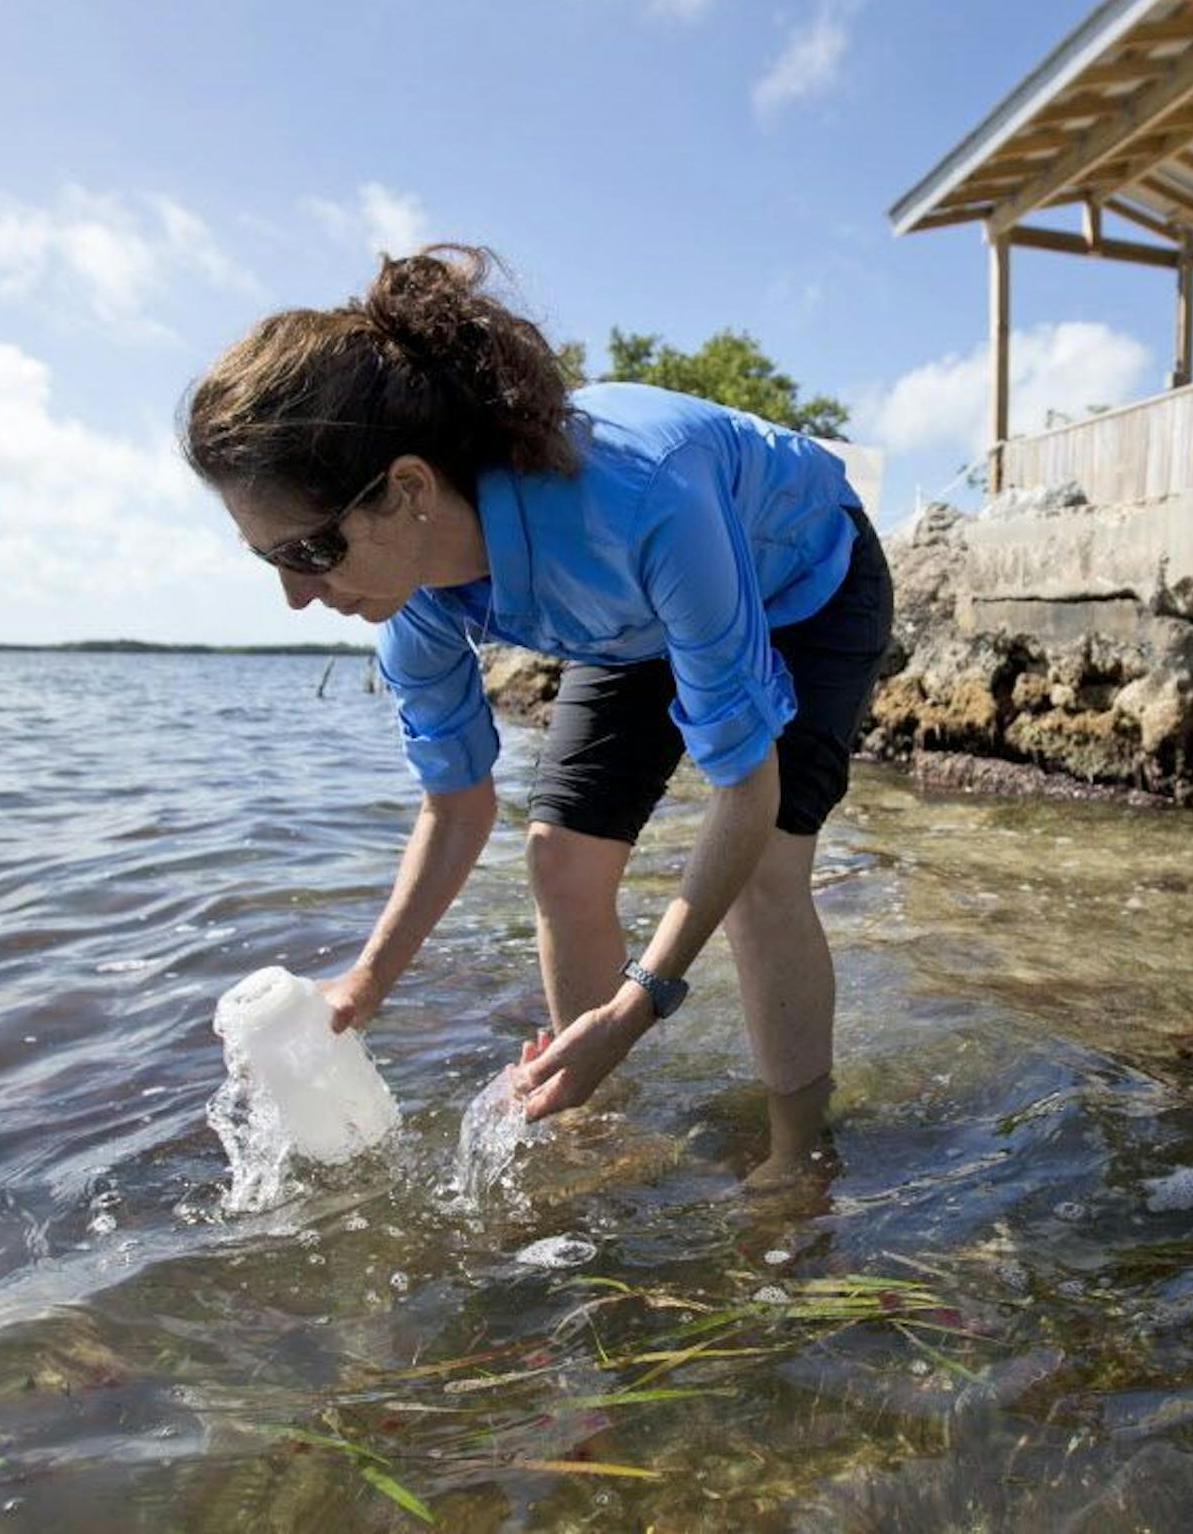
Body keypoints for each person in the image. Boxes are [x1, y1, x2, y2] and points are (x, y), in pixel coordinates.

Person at [180, 245, 894, 1184]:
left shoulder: (646, 497)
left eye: (311, 550)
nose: (297, 599)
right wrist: (366, 981)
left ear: (407, 489)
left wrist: (640, 1001)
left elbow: (744, 788)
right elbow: (458, 806)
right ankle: (596, 1120)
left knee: (763, 875)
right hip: (627, 623)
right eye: (270, 558)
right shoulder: (412, 594)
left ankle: (802, 1153)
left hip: (802, 584)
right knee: (558, 855)